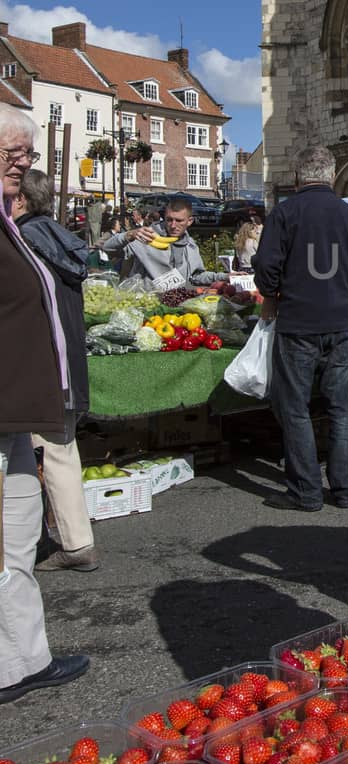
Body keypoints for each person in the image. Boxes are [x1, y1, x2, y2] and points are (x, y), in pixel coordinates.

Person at [0, 103, 89, 702]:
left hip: (17, 409)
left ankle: (25, 659)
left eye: (26, 152)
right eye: (10, 151)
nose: (21, 161)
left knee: (17, 532)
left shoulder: (11, 220)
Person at [253, 146, 348, 512]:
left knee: (295, 408)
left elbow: (266, 266)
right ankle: (345, 490)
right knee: (341, 408)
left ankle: (306, 492)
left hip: (298, 323)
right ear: (333, 175)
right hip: (340, 321)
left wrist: (273, 292)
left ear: (298, 176)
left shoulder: (285, 212)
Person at [11, 170, 99, 572]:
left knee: (42, 451)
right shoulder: (59, 238)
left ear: (21, 201)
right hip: (65, 361)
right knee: (60, 449)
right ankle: (74, 540)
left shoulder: (23, 240)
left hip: (39, 362)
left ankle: (63, 541)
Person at [100, 195, 214, 285]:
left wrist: (224, 277)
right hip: (145, 300)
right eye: (169, 220)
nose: (173, 225)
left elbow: (197, 276)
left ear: (189, 221)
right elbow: (107, 248)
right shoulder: (145, 236)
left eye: (179, 221)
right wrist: (128, 235)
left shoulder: (191, 245)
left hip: (174, 301)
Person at [233, 207, 265, 271]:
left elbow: (237, 256)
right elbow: (261, 253)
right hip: (253, 268)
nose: (255, 230)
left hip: (241, 268)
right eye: (253, 229)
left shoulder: (239, 241)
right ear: (250, 231)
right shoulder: (253, 241)